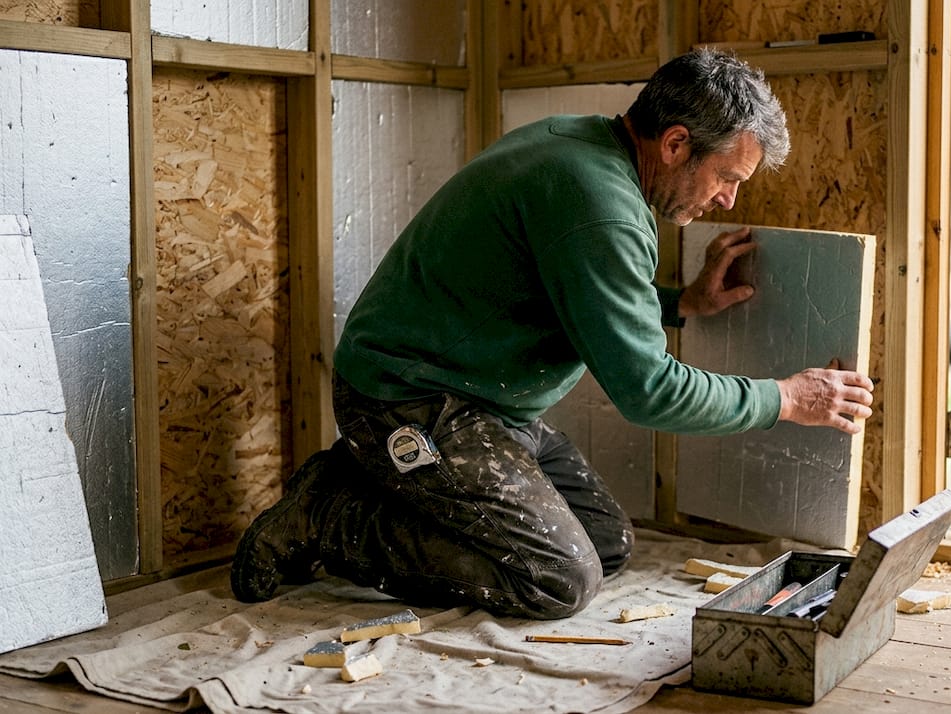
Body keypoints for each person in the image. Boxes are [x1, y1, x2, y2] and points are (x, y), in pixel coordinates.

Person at [230, 47, 875, 619]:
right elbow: (648, 390)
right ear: (676, 144)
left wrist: (684, 304)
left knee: (605, 542)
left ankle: (370, 477)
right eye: (728, 178)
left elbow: (577, 284)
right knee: (559, 579)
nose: (729, 199)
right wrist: (787, 399)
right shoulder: (601, 205)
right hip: (409, 395)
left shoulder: (589, 145)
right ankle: (330, 517)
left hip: (485, 401)